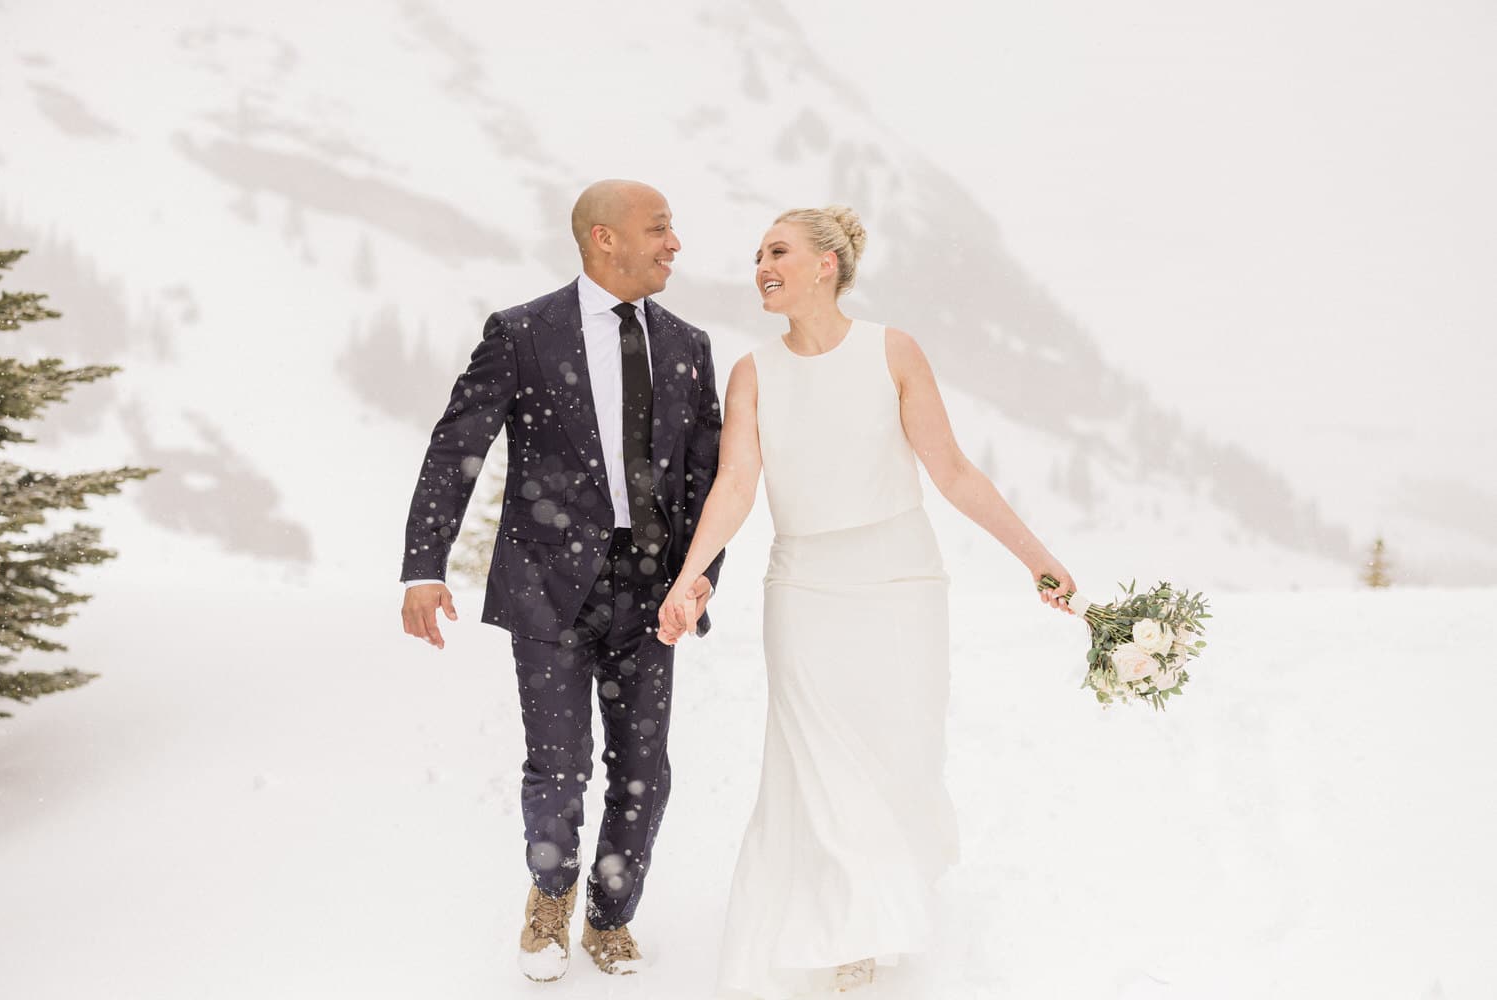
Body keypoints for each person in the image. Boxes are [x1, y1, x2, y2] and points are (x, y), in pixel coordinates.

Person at [656, 205, 1076, 997]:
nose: (761, 267)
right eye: (756, 256)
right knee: (817, 759)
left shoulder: (892, 351)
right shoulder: (753, 371)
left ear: (827, 264)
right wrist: (689, 574)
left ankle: (880, 902)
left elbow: (951, 471)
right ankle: (851, 927)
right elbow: (737, 484)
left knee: (897, 753)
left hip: (900, 580)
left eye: (777, 251)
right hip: (804, 586)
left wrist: (1038, 561)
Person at [399, 179, 725, 984]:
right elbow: (457, 448)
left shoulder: (687, 344)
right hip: (548, 585)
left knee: (645, 768)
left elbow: (709, 476)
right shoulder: (522, 334)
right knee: (558, 761)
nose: (674, 243)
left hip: (656, 590)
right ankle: (550, 898)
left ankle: (612, 915)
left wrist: (701, 576)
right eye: (659, 228)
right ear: (603, 239)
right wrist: (422, 567)